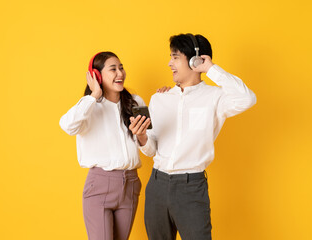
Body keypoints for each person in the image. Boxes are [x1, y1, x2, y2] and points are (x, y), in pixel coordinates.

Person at [129, 33, 257, 240]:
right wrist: (142, 136)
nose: (169, 63)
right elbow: (151, 149)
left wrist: (210, 69)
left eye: (175, 57)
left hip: (191, 187)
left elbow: (247, 98)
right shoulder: (160, 98)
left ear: (194, 60)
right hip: (157, 185)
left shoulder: (215, 97)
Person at [59, 51, 150, 240]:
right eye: (113, 69)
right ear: (97, 75)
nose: (120, 73)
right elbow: (67, 125)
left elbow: (151, 149)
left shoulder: (136, 103)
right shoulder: (89, 107)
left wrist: (141, 135)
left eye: (121, 68)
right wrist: (93, 95)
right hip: (100, 185)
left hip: (131, 184)